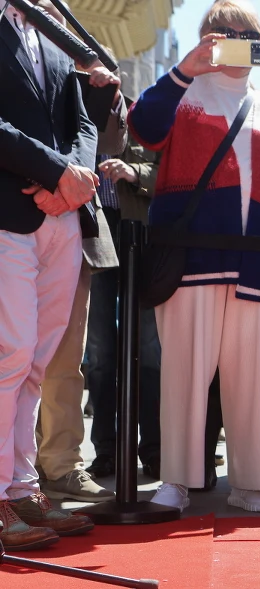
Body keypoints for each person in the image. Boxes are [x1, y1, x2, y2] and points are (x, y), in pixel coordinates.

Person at [128, 0, 260, 513]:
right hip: (192, 258)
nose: (233, 40)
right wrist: (185, 69)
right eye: (221, 32)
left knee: (254, 375)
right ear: (205, 38)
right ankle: (176, 481)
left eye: (244, 33)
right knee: (184, 370)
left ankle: (253, 481)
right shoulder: (184, 92)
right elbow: (143, 126)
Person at [1, 0, 102, 550]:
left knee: (37, 360)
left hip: (62, 214)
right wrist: (55, 171)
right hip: (9, 212)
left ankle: (21, 489)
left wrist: (75, 179)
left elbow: (81, 119)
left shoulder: (50, 26)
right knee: (9, 353)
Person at [35, 46, 124, 506]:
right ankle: (18, 472)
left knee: (66, 362)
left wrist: (101, 88)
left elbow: (108, 142)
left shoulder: (84, 76)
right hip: (15, 219)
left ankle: (60, 465)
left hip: (74, 230)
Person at [94, 101, 164, 484]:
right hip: (92, 236)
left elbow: (169, 173)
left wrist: (133, 170)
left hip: (141, 237)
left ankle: (153, 449)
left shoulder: (145, 115)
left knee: (149, 350)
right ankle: (105, 450)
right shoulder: (71, 112)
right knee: (101, 352)